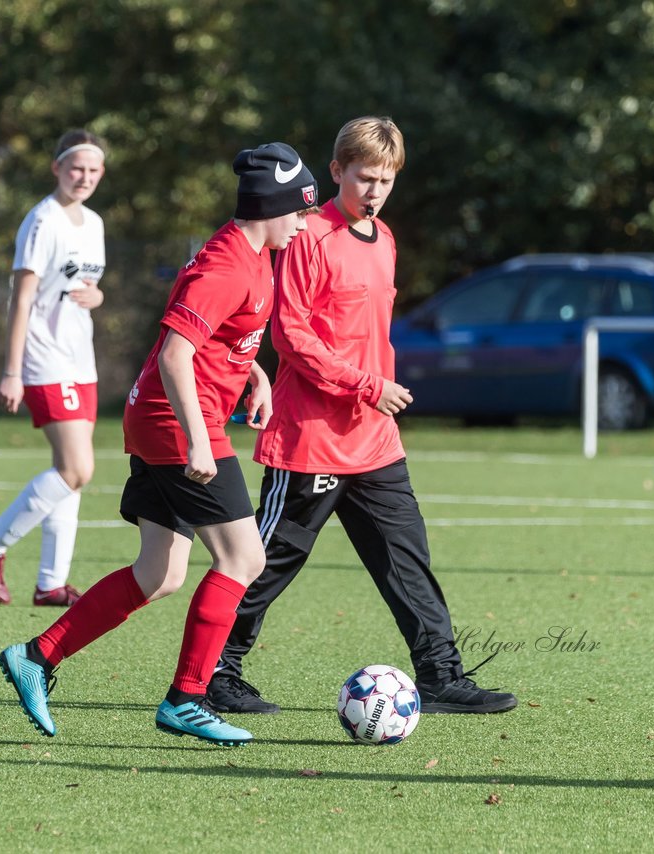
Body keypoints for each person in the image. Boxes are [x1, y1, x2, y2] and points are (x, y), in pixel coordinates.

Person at [0, 142, 319, 746]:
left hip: (166, 417)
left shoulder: (254, 254)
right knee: (243, 559)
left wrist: (254, 373)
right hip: (179, 424)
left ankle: (36, 657)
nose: (305, 221)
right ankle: (187, 699)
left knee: (159, 571)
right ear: (272, 206)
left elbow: (212, 336)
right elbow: (175, 352)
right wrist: (199, 442)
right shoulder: (227, 263)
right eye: (300, 210)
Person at [204, 117, 518, 716]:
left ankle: (441, 676)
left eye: (385, 179)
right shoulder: (307, 237)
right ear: (337, 171)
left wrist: (374, 393)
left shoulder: (387, 239)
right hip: (312, 439)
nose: (374, 190)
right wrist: (366, 384)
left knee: (408, 556)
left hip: (374, 440)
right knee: (266, 562)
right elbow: (291, 335)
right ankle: (217, 670)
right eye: (364, 177)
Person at [0, 129, 108, 607]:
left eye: (92, 170)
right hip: (45, 359)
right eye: (76, 169)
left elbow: (86, 288)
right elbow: (21, 300)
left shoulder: (94, 223)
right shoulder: (42, 221)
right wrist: (13, 370)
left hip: (80, 360)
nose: (83, 178)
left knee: (71, 474)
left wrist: (99, 295)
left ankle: (51, 582)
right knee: (76, 468)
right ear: (57, 169)